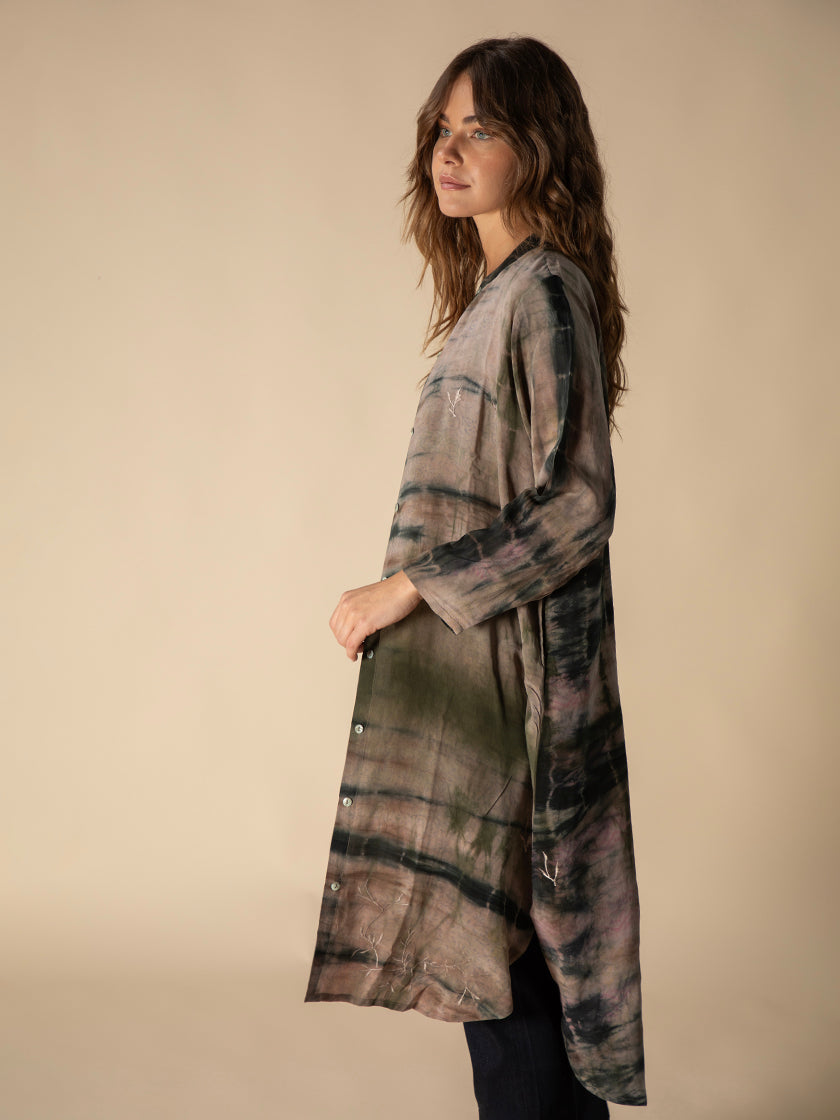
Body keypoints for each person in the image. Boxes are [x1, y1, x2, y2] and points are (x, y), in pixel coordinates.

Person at [304, 36, 646, 1117]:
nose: (448, 153)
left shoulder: (544, 292)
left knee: (506, 977)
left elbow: (579, 501)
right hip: (477, 687)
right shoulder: (498, 296)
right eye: (442, 131)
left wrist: (406, 586)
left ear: (537, 147)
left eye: (480, 130)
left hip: (517, 696)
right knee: (499, 973)